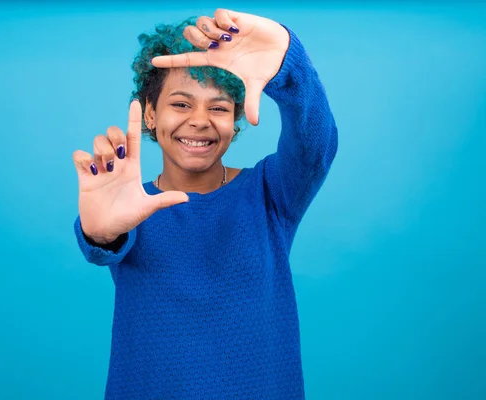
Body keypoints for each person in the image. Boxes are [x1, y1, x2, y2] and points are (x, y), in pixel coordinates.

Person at [72, 8, 338, 399]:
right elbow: (102, 240)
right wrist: (99, 233)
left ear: (236, 120)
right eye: (181, 104)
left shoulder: (269, 192)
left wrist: (288, 62)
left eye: (218, 107)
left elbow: (316, 146)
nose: (200, 120)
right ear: (150, 114)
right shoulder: (130, 203)